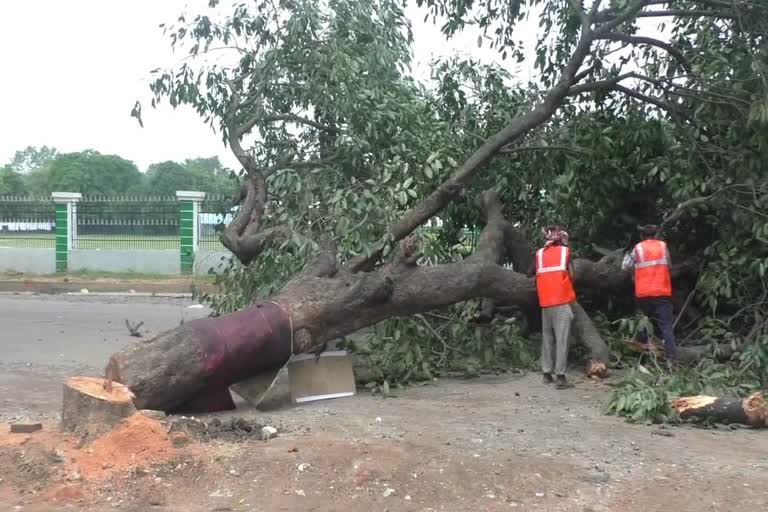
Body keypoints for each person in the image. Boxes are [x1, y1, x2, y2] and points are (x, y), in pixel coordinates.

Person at [527, 225, 576, 389]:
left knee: (548, 338)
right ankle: (561, 377)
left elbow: (530, 273)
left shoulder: (539, 254)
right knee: (562, 339)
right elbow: (573, 274)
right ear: (561, 238)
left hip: (545, 302)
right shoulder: (565, 252)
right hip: (561, 301)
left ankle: (546, 374)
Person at [622, 224, 677, 367]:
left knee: (644, 321)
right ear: (656, 235)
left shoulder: (638, 248)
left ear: (642, 236)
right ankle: (671, 360)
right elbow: (669, 266)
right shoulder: (663, 247)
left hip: (644, 292)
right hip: (661, 291)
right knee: (666, 326)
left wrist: (628, 257)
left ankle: (642, 350)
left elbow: (625, 266)